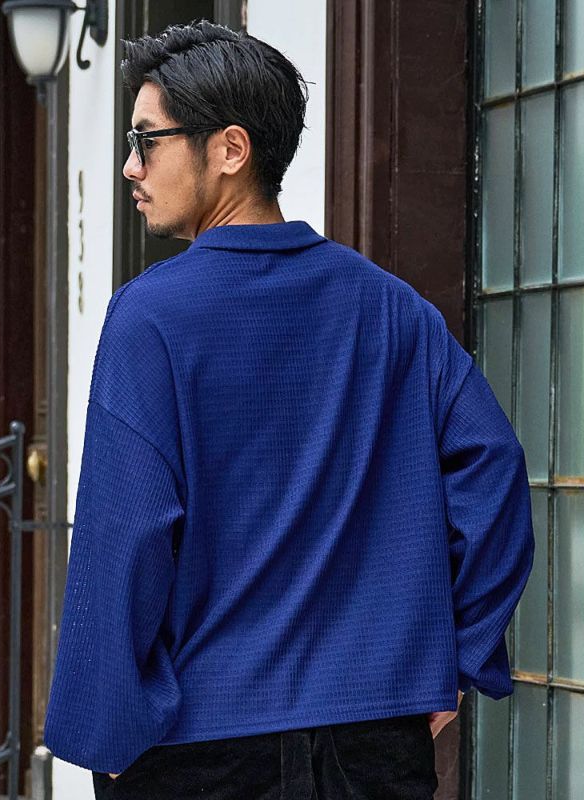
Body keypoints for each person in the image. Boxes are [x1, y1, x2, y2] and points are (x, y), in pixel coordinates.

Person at [43, 20, 534, 800]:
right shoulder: (392, 311)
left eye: (147, 141)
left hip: (199, 747)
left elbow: (126, 531)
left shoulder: (151, 318)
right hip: (373, 741)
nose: (132, 166)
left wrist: (104, 728)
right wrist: (458, 658)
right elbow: (495, 473)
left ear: (230, 149)